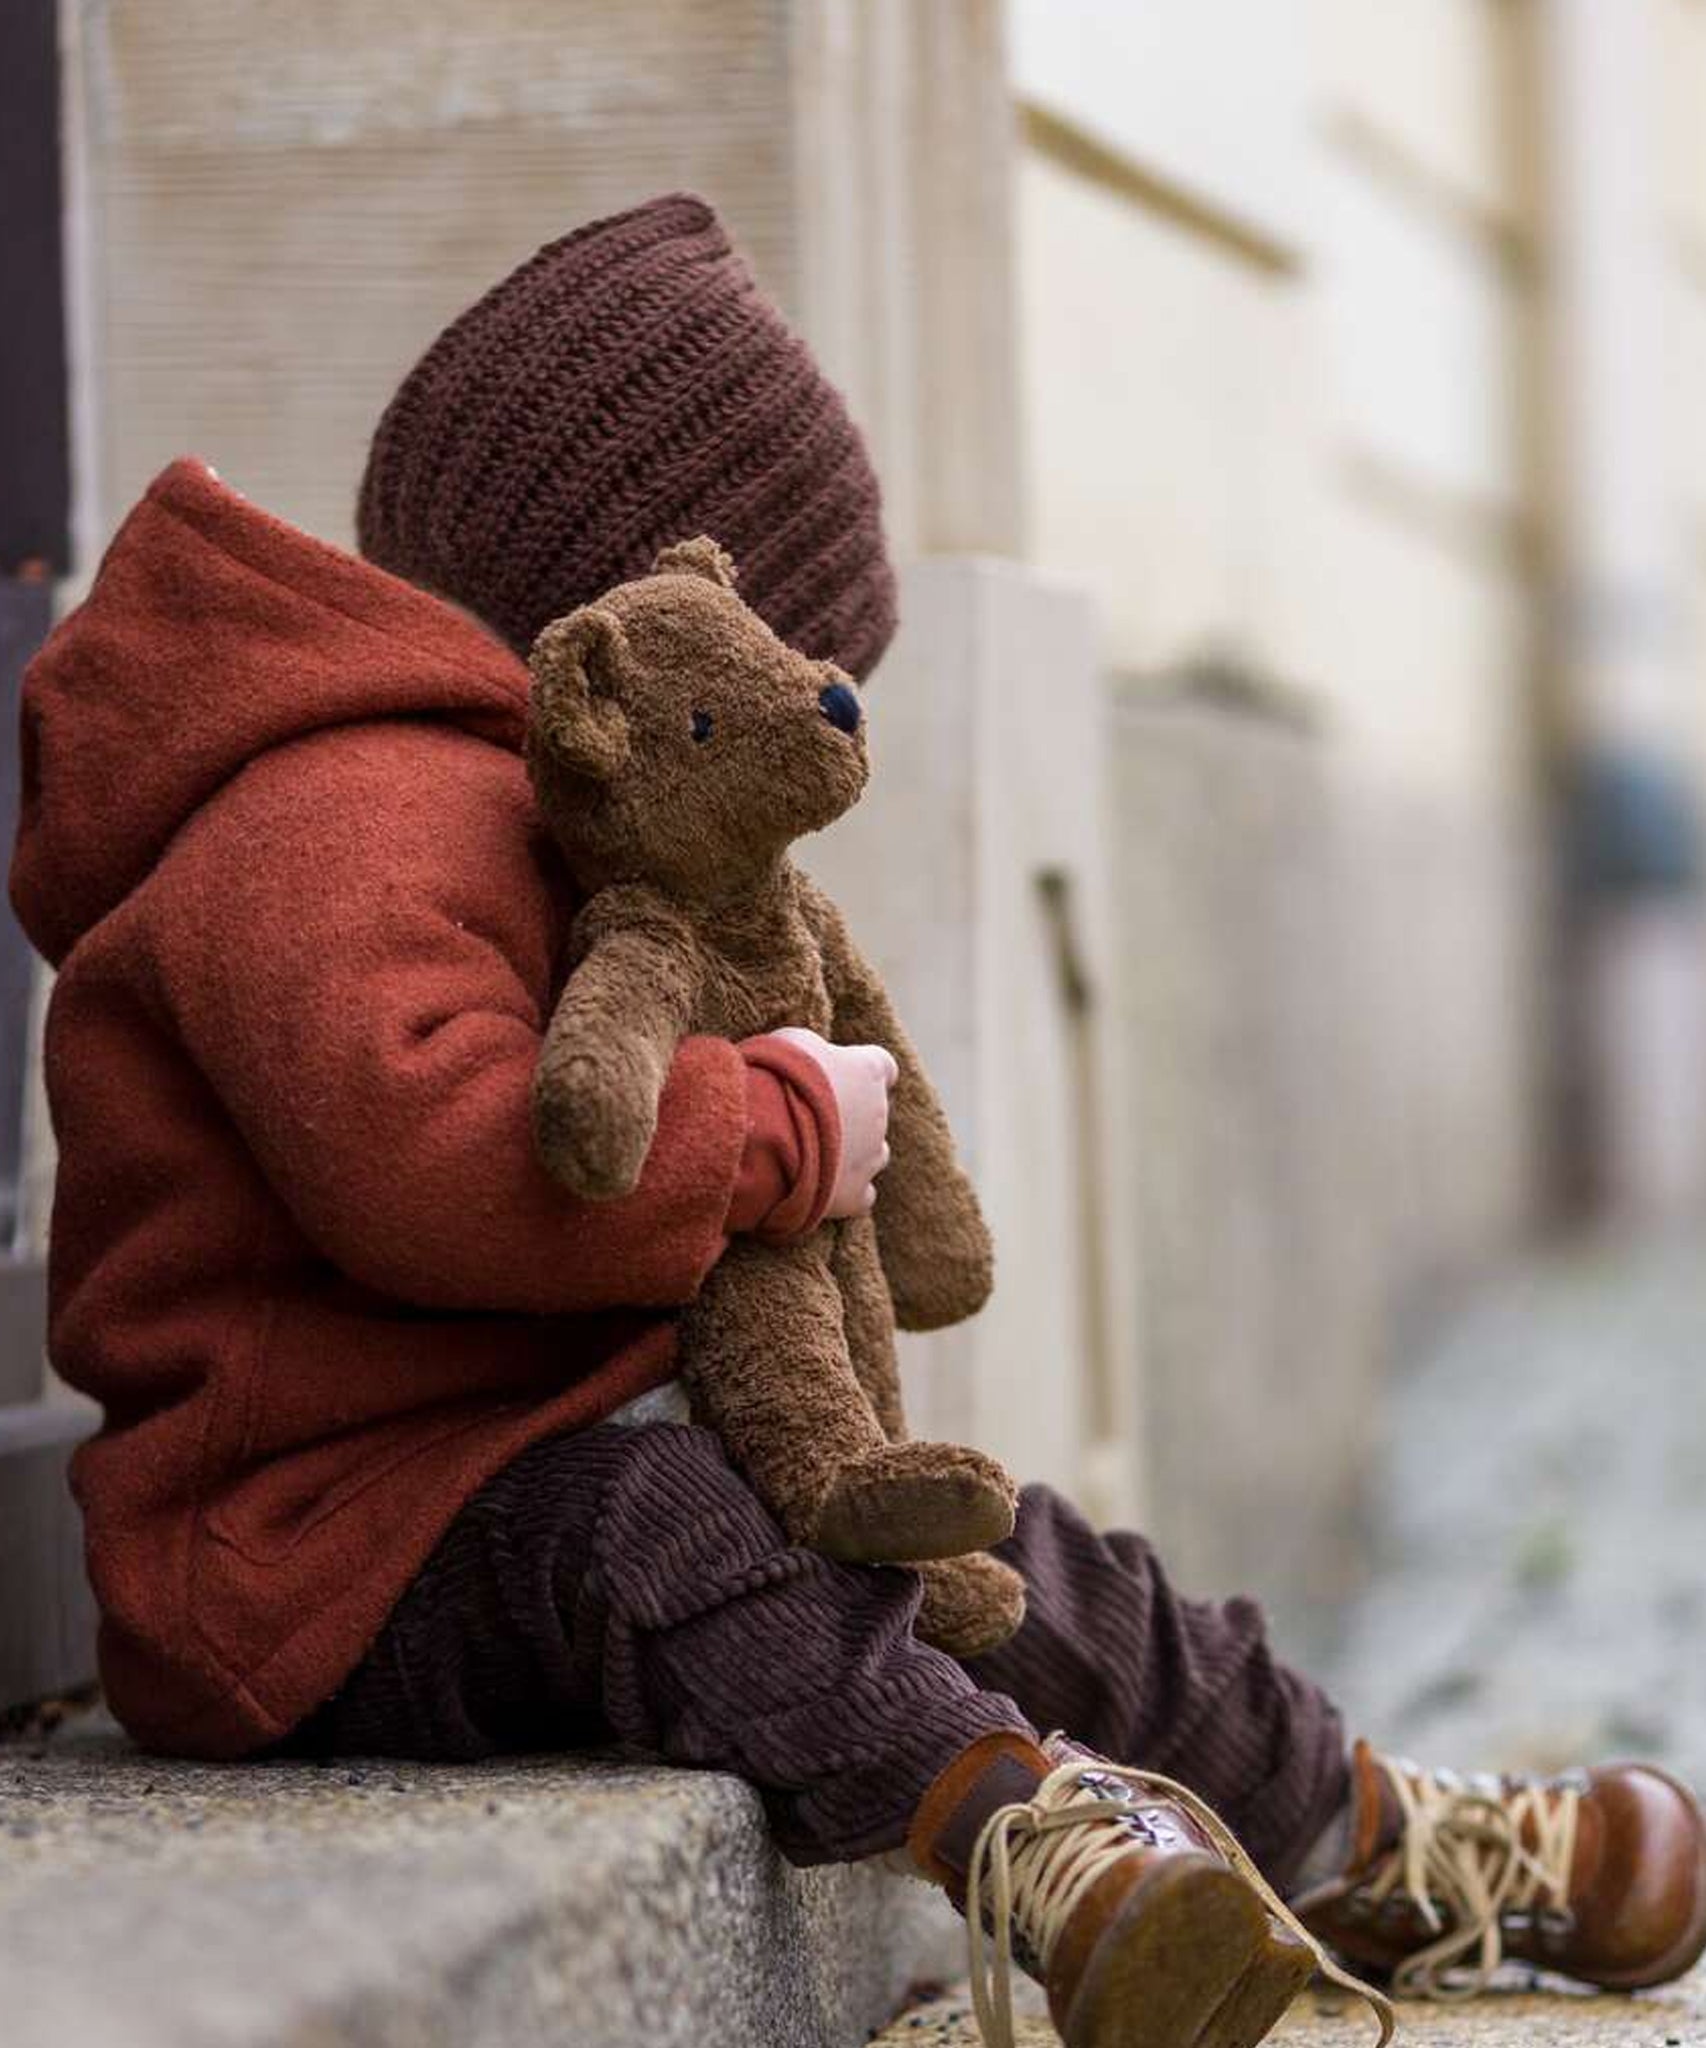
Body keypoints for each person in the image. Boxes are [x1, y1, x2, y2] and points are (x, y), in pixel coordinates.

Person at [12, 192, 1704, 2048]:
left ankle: (1372, 1831)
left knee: (980, 1542)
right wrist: (767, 1129)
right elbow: (430, 1164)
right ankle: (1038, 1849)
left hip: (525, 1459)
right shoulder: (326, 819)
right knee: (662, 1526)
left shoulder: (516, 810)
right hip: (312, 1565)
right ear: (635, 627)